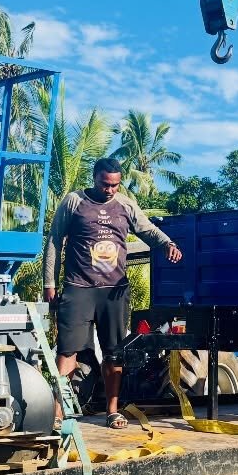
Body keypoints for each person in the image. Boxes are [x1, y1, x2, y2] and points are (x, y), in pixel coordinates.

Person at [43, 157, 183, 429]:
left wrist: (167, 244)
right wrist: (50, 282)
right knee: (67, 351)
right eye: (105, 184)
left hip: (114, 292)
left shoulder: (125, 205)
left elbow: (148, 230)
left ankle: (112, 410)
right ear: (94, 178)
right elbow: (54, 239)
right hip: (79, 288)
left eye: (115, 185)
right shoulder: (74, 202)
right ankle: (57, 412)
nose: (110, 190)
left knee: (114, 353)